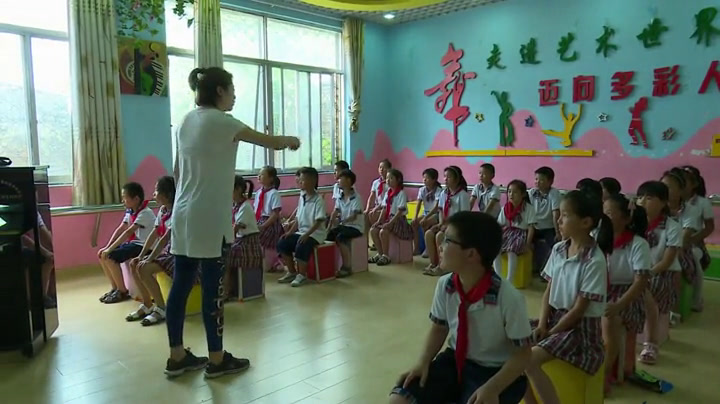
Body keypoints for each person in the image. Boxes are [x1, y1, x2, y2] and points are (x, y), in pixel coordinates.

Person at [166, 66, 299, 378]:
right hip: (209, 219)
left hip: (182, 215)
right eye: (232, 90)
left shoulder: (184, 121)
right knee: (213, 291)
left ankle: (176, 356)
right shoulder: (224, 122)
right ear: (219, 91)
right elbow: (269, 141)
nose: (235, 96)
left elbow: (176, 172)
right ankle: (216, 360)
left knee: (180, 286)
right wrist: (291, 140)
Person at [389, 211, 531, 404]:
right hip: (455, 361)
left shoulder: (508, 298)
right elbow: (439, 328)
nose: (440, 245)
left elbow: (523, 354)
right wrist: (423, 362)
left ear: (471, 254)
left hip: (496, 371)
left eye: (447, 240)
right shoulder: (446, 285)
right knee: (399, 399)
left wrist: (492, 388)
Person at [523, 191, 612, 404]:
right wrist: (542, 325)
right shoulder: (559, 248)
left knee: (529, 360)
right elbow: (548, 291)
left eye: (565, 215)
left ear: (585, 222)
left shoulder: (594, 260)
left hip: (580, 330)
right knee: (512, 347)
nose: (558, 220)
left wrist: (550, 333)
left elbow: (579, 310)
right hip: (555, 319)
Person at [602, 193, 650, 391]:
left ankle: (604, 373)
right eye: (603, 212)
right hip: (600, 290)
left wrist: (618, 305)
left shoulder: (638, 244)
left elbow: (640, 282)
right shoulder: (597, 239)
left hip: (627, 295)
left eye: (609, 213)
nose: (603, 217)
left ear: (626, 218)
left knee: (609, 319)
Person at [635, 181, 681, 365]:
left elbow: (667, 261)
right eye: (639, 197)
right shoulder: (634, 224)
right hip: (637, 272)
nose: (642, 201)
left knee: (645, 291)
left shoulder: (672, 227)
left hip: (660, 274)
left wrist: (646, 274)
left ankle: (651, 343)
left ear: (663, 202)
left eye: (649, 198)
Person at [125, 176, 176, 326]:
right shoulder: (162, 210)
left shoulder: (177, 211)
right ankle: (147, 304)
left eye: (156, 191)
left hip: (177, 254)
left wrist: (149, 258)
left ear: (166, 195)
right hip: (167, 251)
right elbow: (154, 233)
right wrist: (141, 256)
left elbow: (165, 239)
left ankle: (161, 308)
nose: (154, 194)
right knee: (134, 264)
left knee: (144, 268)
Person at [98, 182, 156, 304]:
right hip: (135, 243)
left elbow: (128, 232)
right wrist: (107, 247)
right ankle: (115, 288)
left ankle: (122, 291)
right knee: (102, 254)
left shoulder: (145, 213)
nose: (122, 201)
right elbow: (121, 228)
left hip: (145, 246)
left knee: (110, 256)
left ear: (136, 199)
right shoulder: (130, 211)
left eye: (125, 197)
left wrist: (110, 250)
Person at [660, 170, 702, 325]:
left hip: (681, 249)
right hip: (659, 248)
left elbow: (684, 237)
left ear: (681, 190)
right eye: (663, 186)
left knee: (676, 265)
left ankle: (676, 310)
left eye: (670, 187)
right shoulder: (658, 207)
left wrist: (671, 253)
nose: (665, 190)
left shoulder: (691, 210)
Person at [277, 167, 327, 287]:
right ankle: (292, 272)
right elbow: (298, 218)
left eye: (303, 180)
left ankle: (302, 275)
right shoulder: (302, 196)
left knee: (301, 244)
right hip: (302, 232)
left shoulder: (318, 200)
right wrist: (290, 232)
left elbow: (319, 221)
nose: (300, 182)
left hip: (316, 234)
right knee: (282, 242)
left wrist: (306, 235)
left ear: (313, 181)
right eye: (300, 179)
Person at [423, 166, 470, 276]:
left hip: (458, 227)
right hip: (444, 224)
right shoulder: (444, 193)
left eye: (449, 177)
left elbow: (463, 216)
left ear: (456, 179)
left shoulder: (462, 195)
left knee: (440, 236)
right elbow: (440, 210)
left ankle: (442, 267)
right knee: (429, 233)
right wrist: (440, 223)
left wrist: (448, 225)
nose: (445, 179)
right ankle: (433, 263)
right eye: (444, 176)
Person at [682, 165, 715, 311]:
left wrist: (691, 240)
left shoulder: (702, 202)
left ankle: (697, 299)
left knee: (694, 258)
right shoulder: (674, 201)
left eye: (685, 181)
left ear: (694, 184)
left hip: (694, 243)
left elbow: (709, 227)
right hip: (673, 242)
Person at [226, 175, 262, 299]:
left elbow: (235, 228)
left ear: (238, 189)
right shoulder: (235, 205)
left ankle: (226, 291)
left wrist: (228, 242)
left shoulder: (245, 207)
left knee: (226, 256)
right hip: (240, 240)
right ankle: (229, 288)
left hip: (249, 244)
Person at [369, 168, 414, 266]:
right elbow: (384, 208)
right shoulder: (388, 193)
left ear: (398, 180)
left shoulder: (401, 194)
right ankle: (380, 253)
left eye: (391, 178)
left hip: (398, 220)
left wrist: (389, 223)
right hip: (389, 219)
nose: (388, 180)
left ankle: (386, 256)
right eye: (387, 178)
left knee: (383, 231)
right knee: (373, 230)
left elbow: (399, 212)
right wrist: (379, 221)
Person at [493, 180, 536, 282]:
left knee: (511, 251)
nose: (511, 194)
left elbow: (531, 227)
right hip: (507, 232)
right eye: (509, 191)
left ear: (523, 194)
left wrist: (528, 244)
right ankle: (498, 277)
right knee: (495, 249)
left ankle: (509, 280)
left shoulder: (528, 208)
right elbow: (500, 224)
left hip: (521, 234)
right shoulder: (505, 208)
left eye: (515, 192)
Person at [327, 169, 364, 277]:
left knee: (341, 237)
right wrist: (329, 227)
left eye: (340, 178)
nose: (338, 181)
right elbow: (335, 212)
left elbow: (354, 216)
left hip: (356, 227)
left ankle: (346, 267)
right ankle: (329, 265)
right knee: (329, 235)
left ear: (348, 180)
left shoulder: (356, 198)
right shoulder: (340, 196)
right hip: (345, 226)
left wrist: (341, 221)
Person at [529, 167, 561, 276]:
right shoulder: (531, 193)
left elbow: (555, 214)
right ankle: (531, 269)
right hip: (534, 227)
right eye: (536, 179)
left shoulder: (554, 193)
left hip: (548, 227)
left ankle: (546, 272)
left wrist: (557, 232)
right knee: (523, 243)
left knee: (555, 247)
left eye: (541, 180)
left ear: (550, 181)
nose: (537, 182)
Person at [255, 165, 284, 272]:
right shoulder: (259, 192)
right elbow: (256, 211)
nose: (259, 176)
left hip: (270, 222)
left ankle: (275, 261)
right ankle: (268, 261)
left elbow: (275, 214)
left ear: (271, 178)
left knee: (264, 240)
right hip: (260, 220)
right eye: (259, 174)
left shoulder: (274, 193)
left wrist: (263, 226)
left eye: (262, 175)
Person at [412, 168, 443, 256]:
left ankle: (427, 248)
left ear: (434, 180)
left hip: (435, 214)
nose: (424, 180)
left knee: (424, 223)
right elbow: (418, 204)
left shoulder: (439, 191)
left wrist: (425, 218)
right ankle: (417, 248)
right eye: (424, 178)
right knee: (414, 223)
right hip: (426, 213)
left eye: (427, 178)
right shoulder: (422, 190)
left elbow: (436, 207)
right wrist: (415, 216)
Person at [365, 159, 392, 249]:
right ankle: (366, 243)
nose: (381, 170)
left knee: (374, 214)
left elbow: (387, 201)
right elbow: (371, 196)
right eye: (380, 167)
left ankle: (378, 241)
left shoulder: (390, 183)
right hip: (377, 207)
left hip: (387, 208)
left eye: (384, 168)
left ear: (389, 169)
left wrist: (375, 209)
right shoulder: (376, 182)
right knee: (365, 215)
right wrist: (367, 208)